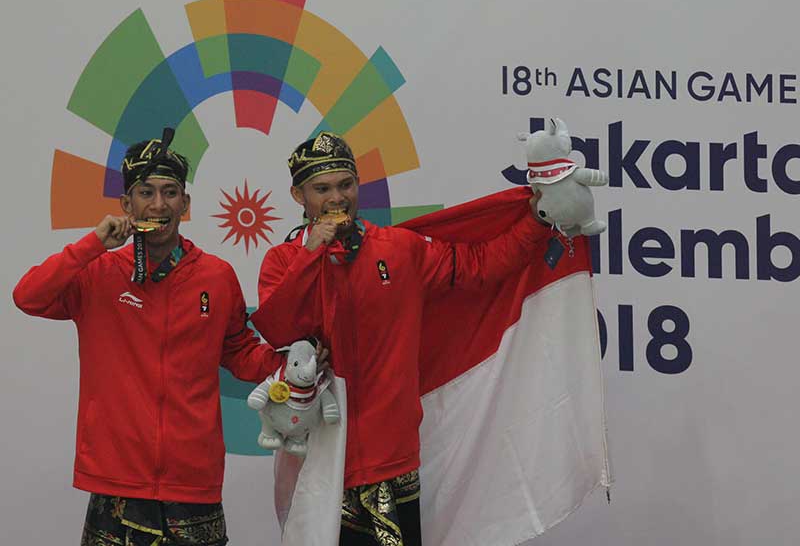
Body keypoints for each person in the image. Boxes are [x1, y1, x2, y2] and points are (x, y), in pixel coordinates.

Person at [249, 132, 551, 546]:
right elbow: (277, 328)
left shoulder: (400, 248)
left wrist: (538, 220)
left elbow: (478, 268)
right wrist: (311, 253)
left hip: (392, 460)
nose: (337, 198)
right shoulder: (282, 260)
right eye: (322, 189)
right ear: (298, 195)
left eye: (345, 185)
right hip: (317, 462)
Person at [13, 129, 285, 546]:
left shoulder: (216, 275)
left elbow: (239, 350)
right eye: (145, 192)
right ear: (126, 204)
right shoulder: (98, 274)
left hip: (193, 478)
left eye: (170, 192)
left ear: (186, 204)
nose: (159, 205)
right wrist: (91, 245)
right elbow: (27, 297)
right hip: (116, 479)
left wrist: (292, 365)